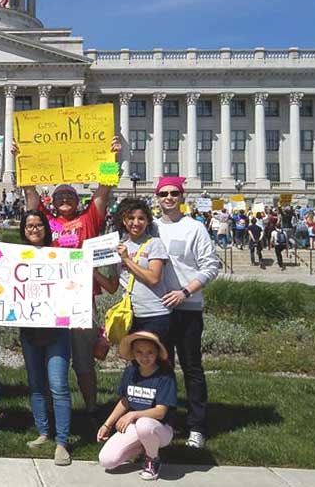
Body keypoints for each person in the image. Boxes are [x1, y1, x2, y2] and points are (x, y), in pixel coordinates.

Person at [20, 136, 122, 423]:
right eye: (60, 196)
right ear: (52, 201)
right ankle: (53, 409)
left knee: (82, 358)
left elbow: (103, 191)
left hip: (81, 299)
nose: (65, 199)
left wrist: (111, 159)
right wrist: (23, 161)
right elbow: (31, 197)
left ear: (78, 201)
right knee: (51, 358)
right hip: (50, 299)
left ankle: (91, 408)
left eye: (70, 196)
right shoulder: (45, 221)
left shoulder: (89, 219)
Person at [153, 176, 219, 449]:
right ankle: (163, 420)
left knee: (192, 367)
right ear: (157, 198)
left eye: (174, 193)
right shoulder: (150, 226)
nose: (169, 197)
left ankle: (196, 426)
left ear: (182, 196)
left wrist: (185, 292)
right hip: (158, 309)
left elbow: (211, 266)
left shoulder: (195, 228)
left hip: (188, 307)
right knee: (161, 367)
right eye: (164, 193)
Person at [16, 209, 73, 465]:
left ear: (45, 228)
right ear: (23, 230)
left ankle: (62, 442)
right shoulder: (13, 257)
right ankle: (43, 432)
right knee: (36, 384)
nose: (34, 229)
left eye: (38, 225)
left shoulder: (59, 254)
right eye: (29, 226)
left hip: (57, 331)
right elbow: (1, 278)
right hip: (30, 330)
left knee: (58, 386)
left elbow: (74, 283)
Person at [98, 331, 177, 481]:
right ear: (133, 353)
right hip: (136, 426)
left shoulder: (165, 375)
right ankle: (144, 446)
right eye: (139, 352)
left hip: (161, 428)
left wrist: (133, 415)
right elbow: (125, 401)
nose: (144, 357)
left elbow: (160, 412)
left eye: (150, 352)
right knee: (107, 461)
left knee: (144, 424)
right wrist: (107, 425)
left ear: (157, 353)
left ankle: (152, 460)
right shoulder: (130, 372)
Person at [114, 198, 171, 347]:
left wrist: (127, 259)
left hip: (155, 314)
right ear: (124, 221)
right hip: (130, 315)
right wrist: (93, 270)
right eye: (131, 218)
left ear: (147, 221)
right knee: (137, 364)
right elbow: (112, 286)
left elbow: (153, 278)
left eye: (141, 218)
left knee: (159, 363)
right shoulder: (119, 247)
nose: (136, 223)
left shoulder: (154, 243)